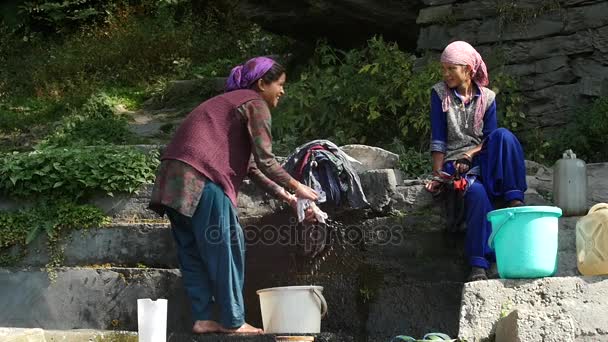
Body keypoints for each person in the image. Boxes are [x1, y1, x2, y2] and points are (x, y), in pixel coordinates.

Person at [148, 56, 318, 334]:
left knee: (191, 251)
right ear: (262, 83)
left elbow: (252, 167)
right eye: (280, 84)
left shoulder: (226, 106)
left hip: (172, 179)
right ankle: (234, 321)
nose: (283, 91)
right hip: (203, 178)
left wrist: (287, 198)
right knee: (227, 246)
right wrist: (298, 187)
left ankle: (203, 318)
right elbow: (266, 160)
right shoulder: (255, 103)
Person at [424, 41, 527, 282]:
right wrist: (439, 174)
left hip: (482, 156)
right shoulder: (439, 94)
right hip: (455, 163)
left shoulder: (488, 98)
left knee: (503, 135)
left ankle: (514, 198)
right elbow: (438, 138)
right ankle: (479, 264)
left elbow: (490, 139)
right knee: (477, 194)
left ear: (469, 70)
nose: (446, 74)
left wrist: (471, 153)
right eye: (444, 69)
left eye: (452, 68)